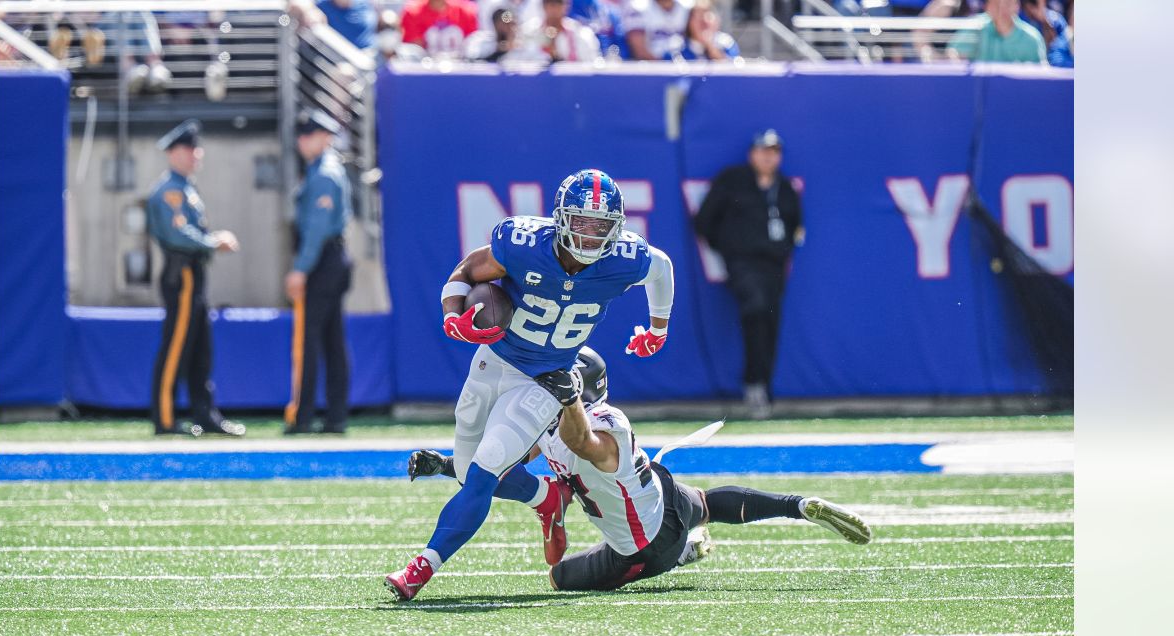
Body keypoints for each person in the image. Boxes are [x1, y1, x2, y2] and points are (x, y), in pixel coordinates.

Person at [383, 169, 677, 601]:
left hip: (548, 379)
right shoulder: (523, 242)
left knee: (486, 468)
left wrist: (658, 327)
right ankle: (546, 496)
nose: (593, 236)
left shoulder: (626, 258)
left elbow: (662, 267)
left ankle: (421, 567)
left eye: (603, 226)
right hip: (494, 360)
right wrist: (452, 316)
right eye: (583, 223)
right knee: (468, 473)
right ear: (561, 218)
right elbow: (468, 269)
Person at [408, 347, 872, 592]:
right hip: (664, 500)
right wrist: (449, 465)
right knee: (707, 504)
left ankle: (683, 555)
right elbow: (505, 465)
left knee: (558, 578)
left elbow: (583, 444)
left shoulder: (601, 424)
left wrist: (566, 398)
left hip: (643, 544)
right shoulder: (558, 423)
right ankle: (798, 505)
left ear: (576, 388)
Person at [694, 129, 803, 420]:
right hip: (742, 263)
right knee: (754, 309)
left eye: (774, 152)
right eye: (764, 151)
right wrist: (729, 247)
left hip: (774, 266)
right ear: (752, 153)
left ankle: (763, 385)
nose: (769, 157)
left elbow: (796, 225)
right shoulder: (732, 180)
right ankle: (752, 384)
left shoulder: (785, 187)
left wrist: (782, 248)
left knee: (770, 320)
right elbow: (704, 220)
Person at [145, 120, 245, 437]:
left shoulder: (186, 187)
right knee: (176, 347)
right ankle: (164, 417)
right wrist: (213, 241)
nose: (196, 154)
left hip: (195, 273)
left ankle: (205, 414)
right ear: (174, 153)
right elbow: (178, 233)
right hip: (182, 273)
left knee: (201, 349)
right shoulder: (170, 190)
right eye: (189, 149)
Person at [284, 111, 353, 435]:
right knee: (331, 340)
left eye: (307, 134)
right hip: (332, 259)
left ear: (320, 137)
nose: (301, 141)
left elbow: (316, 228)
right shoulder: (323, 170)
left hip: (323, 261)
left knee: (310, 339)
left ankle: (304, 414)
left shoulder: (323, 174)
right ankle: (335, 415)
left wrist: (300, 268)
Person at [945, 0, 1046, 64]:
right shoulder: (974, 27)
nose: (1001, 8)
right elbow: (955, 57)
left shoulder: (1031, 39)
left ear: (1017, 6)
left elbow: (1039, 78)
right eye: (996, 3)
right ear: (987, 7)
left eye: (1007, 3)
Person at [513, 0, 602, 63]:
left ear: (567, 5)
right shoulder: (528, 32)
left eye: (558, 2)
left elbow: (591, 65)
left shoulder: (580, 34)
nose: (553, 7)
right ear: (543, 5)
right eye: (549, 2)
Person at [400, 0, 480, 58]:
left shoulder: (466, 11)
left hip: (461, 70)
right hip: (425, 70)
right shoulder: (412, 12)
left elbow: (472, 49)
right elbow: (415, 51)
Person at [622, 0, 692, 61]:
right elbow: (641, 52)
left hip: (685, 66)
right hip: (652, 70)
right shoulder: (637, 7)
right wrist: (666, 69)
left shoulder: (688, 6)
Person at [1019, 0, 1071, 68]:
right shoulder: (1019, 20)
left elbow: (1060, 55)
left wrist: (1045, 22)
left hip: (1052, 71)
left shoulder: (1056, 20)